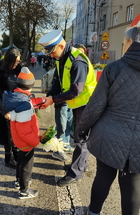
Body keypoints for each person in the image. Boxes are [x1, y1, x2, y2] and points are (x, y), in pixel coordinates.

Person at [77, 25, 140, 215]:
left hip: (109, 135)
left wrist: (82, 129)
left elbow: (95, 106)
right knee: (133, 184)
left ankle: (93, 212)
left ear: (131, 42)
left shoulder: (114, 68)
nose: (123, 45)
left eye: (124, 42)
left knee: (103, 177)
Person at [38, 30, 97, 187]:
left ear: (61, 45)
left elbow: (75, 90)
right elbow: (57, 82)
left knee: (81, 139)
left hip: (86, 104)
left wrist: (53, 100)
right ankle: (78, 166)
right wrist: (48, 97)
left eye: (52, 51)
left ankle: (75, 172)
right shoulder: (61, 58)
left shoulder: (77, 60)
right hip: (77, 103)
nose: (50, 55)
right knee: (78, 137)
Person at [3, 67, 42, 199]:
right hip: (26, 142)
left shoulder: (16, 98)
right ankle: (24, 190)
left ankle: (18, 182)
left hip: (17, 140)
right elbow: (24, 132)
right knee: (26, 166)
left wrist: (41, 101)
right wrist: (36, 141)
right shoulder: (24, 105)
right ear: (30, 86)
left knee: (20, 161)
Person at [0, 47, 22, 169]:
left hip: (17, 107)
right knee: (7, 135)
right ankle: (8, 158)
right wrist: (5, 111)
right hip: (2, 108)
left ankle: (17, 156)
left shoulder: (18, 69)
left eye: (18, 61)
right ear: (9, 60)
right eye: (15, 61)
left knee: (16, 133)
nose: (17, 64)